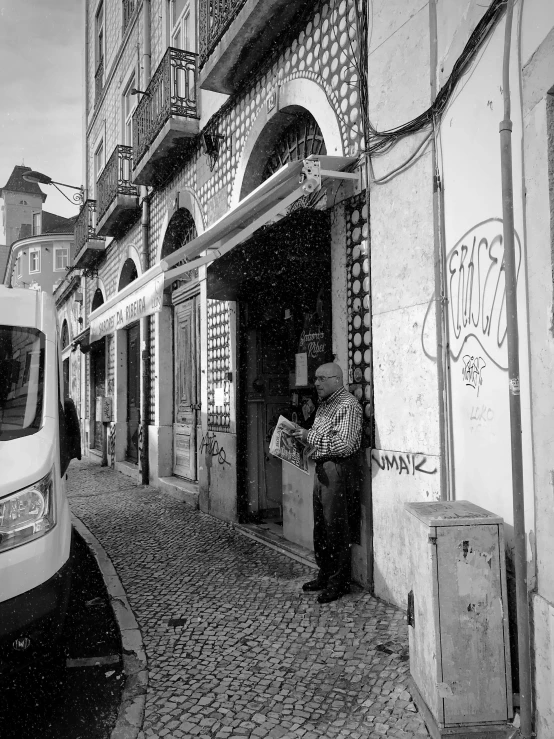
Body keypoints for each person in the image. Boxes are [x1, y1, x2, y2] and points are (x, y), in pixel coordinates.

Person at [292, 362, 362, 604]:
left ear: (336, 379)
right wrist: (300, 435)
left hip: (338, 470)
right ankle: (325, 574)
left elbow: (345, 444)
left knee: (336, 528)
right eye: (315, 379)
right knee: (321, 527)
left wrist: (308, 436)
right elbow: (321, 437)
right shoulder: (325, 405)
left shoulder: (348, 405)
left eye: (321, 379)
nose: (317, 383)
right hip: (323, 468)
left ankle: (338, 582)